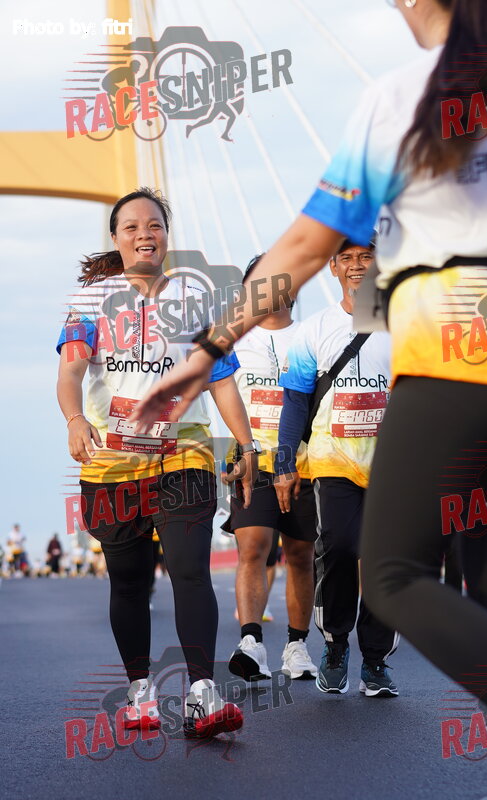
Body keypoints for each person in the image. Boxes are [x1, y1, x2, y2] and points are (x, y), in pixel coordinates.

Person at [131, 4, 487, 796]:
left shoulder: (402, 96)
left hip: (457, 343)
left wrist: (207, 350)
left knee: (392, 574)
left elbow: (304, 247)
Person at [56, 187, 260, 739]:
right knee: (129, 582)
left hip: (183, 454)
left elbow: (221, 382)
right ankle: (140, 693)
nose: (145, 234)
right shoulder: (89, 303)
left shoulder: (198, 302)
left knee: (190, 569)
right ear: (115, 238)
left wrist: (246, 447)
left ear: (167, 235)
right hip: (112, 463)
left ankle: (202, 693)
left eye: (155, 225)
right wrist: (75, 419)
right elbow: (70, 371)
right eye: (132, 227)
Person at [275, 238, 399, 696]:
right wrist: (284, 462)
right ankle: (335, 644)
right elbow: (294, 400)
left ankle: (375, 661)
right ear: (332, 267)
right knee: (340, 547)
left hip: (392, 463)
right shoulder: (315, 329)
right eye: (346, 258)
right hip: (333, 460)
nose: (356, 265)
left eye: (366, 256)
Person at [222, 255, 318, 683]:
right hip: (251, 462)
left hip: (303, 463)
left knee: (300, 554)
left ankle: (297, 646)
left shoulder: (312, 336)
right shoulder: (231, 340)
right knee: (253, 547)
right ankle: (251, 642)